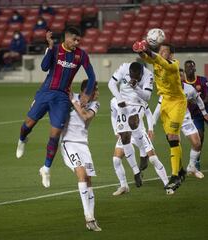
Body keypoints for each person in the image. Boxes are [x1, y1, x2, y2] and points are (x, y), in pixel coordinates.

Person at [16, 27, 96, 188]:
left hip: (62, 98)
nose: (77, 43)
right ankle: (22, 139)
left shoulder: (81, 55)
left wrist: (87, 94)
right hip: (46, 92)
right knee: (28, 125)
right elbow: (44, 67)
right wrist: (50, 47)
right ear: (66, 38)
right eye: (75, 40)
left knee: (56, 133)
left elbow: (92, 76)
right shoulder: (56, 49)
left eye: (79, 40)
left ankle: (46, 168)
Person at [108, 62, 171, 194]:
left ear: (141, 74)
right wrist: (116, 130)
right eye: (130, 76)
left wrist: (151, 129)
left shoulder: (147, 81)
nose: (132, 78)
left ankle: (167, 184)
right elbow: (113, 113)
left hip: (139, 124)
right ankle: (124, 185)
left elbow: (147, 102)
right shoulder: (114, 101)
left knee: (151, 159)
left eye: (135, 77)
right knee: (116, 159)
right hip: (126, 125)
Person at [133, 40, 187, 193]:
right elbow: (146, 57)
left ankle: (175, 175)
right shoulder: (156, 61)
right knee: (171, 138)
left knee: (173, 136)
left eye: (165, 51)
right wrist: (138, 49)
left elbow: (155, 58)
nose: (162, 53)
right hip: (164, 103)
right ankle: (181, 170)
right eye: (161, 50)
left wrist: (148, 50)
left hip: (177, 102)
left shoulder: (173, 65)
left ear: (171, 54)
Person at [153, 69, 208, 179]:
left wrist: (204, 113)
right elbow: (158, 108)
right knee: (176, 146)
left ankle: (191, 167)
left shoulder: (189, 88)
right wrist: (151, 126)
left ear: (183, 78)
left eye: (181, 76)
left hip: (185, 118)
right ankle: (179, 171)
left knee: (197, 144)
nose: (179, 77)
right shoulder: (167, 89)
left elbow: (198, 99)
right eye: (177, 75)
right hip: (172, 121)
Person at [60, 80, 101, 232]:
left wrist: (73, 101)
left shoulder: (95, 105)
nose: (98, 93)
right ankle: (88, 217)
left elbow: (85, 117)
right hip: (68, 143)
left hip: (83, 145)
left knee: (89, 179)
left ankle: (91, 217)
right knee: (82, 175)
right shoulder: (70, 97)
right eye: (96, 91)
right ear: (87, 91)